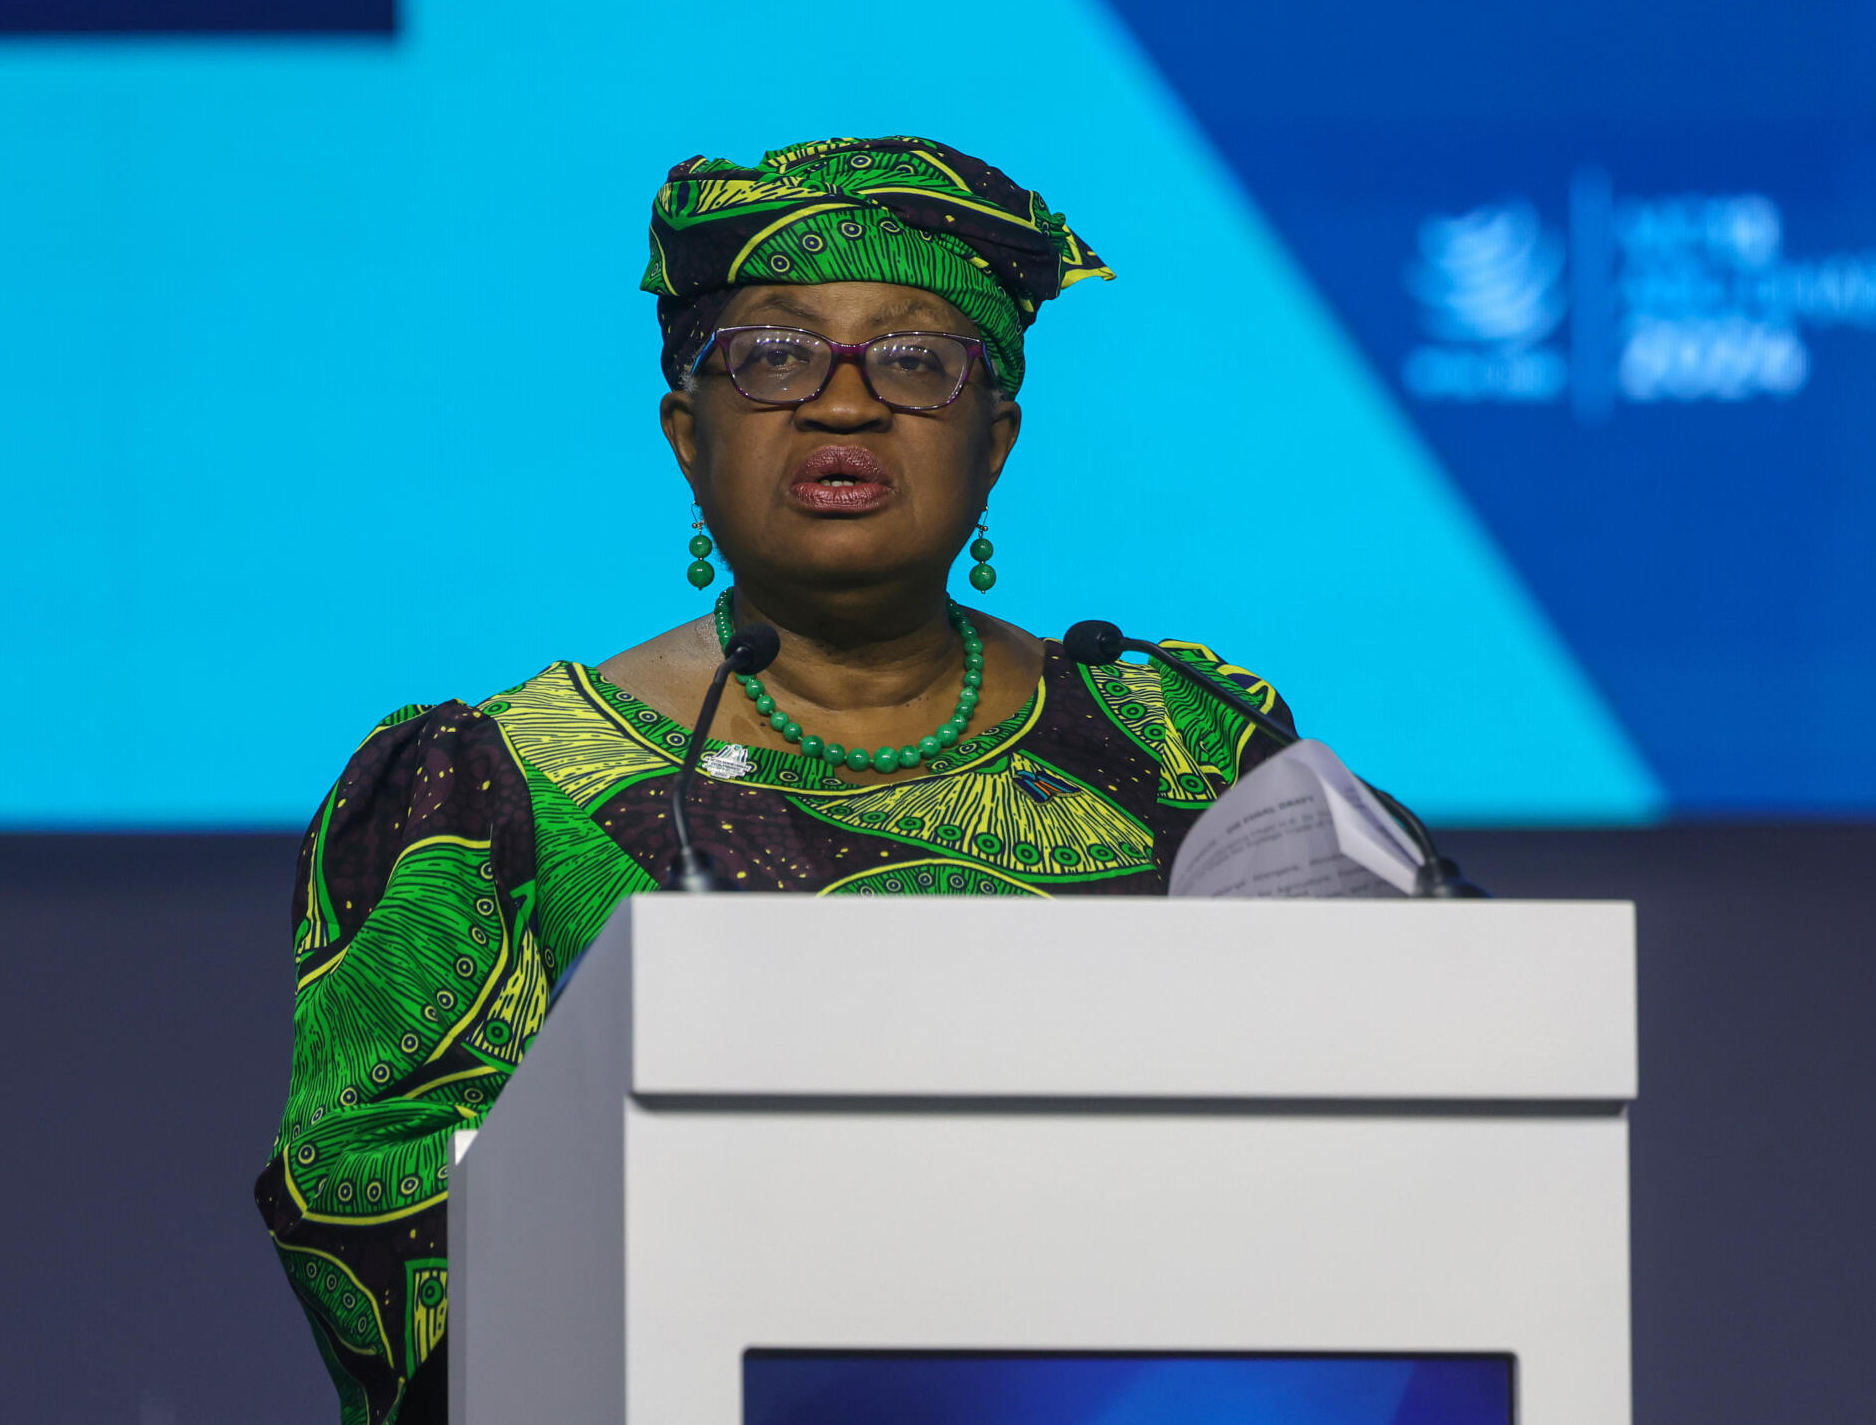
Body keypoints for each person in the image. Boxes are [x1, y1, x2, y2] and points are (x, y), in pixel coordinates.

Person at [253, 136, 1294, 1424]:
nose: (843, 404)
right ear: (689, 437)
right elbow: (379, 1226)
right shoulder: (492, 786)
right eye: (774, 355)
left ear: (997, 440)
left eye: (916, 361)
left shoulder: (1189, 744)